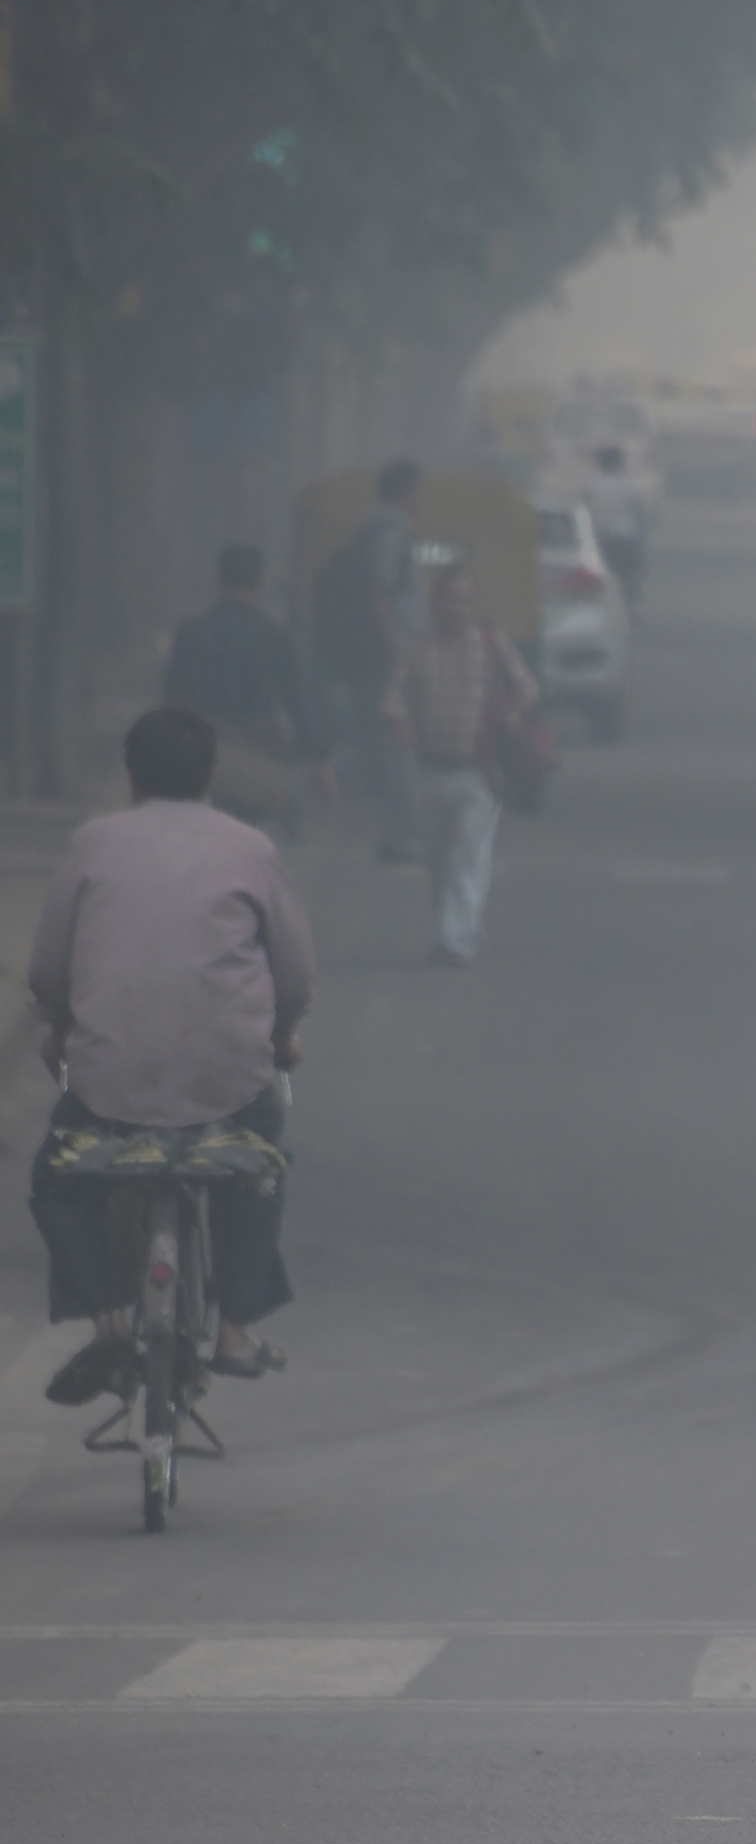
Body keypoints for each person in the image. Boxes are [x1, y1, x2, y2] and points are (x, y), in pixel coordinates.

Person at [31, 710, 313, 1403]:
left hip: (108, 1088)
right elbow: (296, 974)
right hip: (228, 1082)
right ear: (211, 775)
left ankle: (108, 1321)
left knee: (60, 1180)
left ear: (131, 776)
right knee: (259, 1168)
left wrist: (63, 1029)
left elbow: (47, 970)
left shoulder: (93, 844)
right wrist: (282, 1036)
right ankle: (237, 1327)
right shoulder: (251, 849)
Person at [383, 561, 536, 966]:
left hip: (479, 773)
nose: (458, 607)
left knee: (468, 856)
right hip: (430, 771)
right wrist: (398, 722)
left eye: (466, 600)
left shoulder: (490, 645)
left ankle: (457, 942)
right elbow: (394, 695)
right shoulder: (416, 649)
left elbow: (526, 687)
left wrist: (512, 714)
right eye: (451, 598)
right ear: (435, 603)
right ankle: (458, 924)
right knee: (436, 860)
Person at [163, 541, 332, 835]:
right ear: (259, 583)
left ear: (219, 580)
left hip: (202, 763)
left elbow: (172, 702)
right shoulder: (275, 638)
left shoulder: (191, 634)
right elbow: (298, 703)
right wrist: (321, 762)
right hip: (259, 763)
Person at [313, 460, 425, 862]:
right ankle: (399, 836)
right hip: (386, 657)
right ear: (407, 490)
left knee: (368, 742)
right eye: (417, 490)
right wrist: (397, 651)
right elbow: (382, 592)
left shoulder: (372, 530)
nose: (420, 498)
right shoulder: (391, 532)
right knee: (396, 745)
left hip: (372, 654)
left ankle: (301, 786)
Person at [585, 443, 653, 612]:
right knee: (628, 579)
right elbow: (640, 519)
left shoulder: (591, 487)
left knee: (598, 582)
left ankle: (600, 611)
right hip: (625, 539)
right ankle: (631, 609)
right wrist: (641, 547)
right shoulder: (630, 487)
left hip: (599, 540)